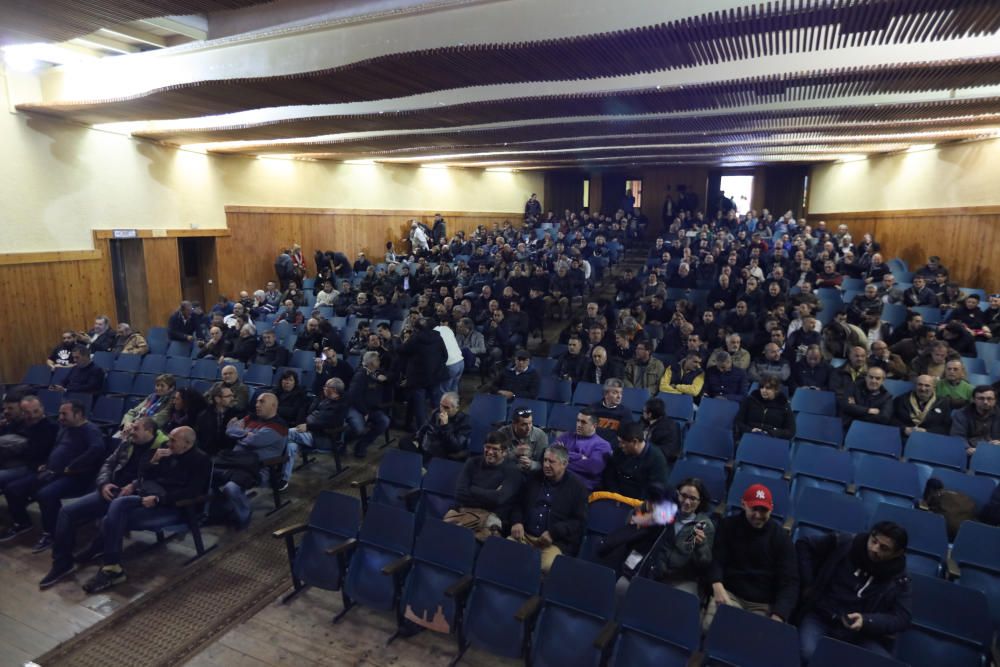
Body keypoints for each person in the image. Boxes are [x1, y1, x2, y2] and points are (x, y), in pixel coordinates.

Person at [80, 426, 211, 593]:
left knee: (110, 521)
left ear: (187, 443)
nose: (168, 443)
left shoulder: (200, 460)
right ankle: (112, 566)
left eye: (173, 440)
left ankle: (110, 567)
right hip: (149, 497)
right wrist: (154, 461)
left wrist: (159, 499)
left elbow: (192, 491)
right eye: (169, 438)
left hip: (174, 507)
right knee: (118, 504)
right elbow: (143, 477)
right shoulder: (165, 452)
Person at [39, 417, 166, 588]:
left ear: (149, 432)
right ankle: (62, 562)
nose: (130, 431)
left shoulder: (162, 449)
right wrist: (103, 484)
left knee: (110, 520)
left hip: (135, 497)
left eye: (136, 428)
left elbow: (159, 477)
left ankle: (100, 554)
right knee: (67, 512)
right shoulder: (128, 442)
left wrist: (134, 486)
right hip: (111, 490)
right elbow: (108, 463)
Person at [796, 523, 912, 662]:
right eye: (874, 541)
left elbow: (902, 618)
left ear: (897, 553)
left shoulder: (899, 579)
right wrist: (809, 584)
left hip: (860, 634)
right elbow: (804, 544)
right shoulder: (846, 543)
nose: (874, 549)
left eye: (884, 548)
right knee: (808, 654)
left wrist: (867, 621)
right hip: (821, 616)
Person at [0, 400, 106, 550]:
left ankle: (52, 534)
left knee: (45, 495)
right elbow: (56, 448)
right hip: (52, 471)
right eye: (60, 413)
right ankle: (22, 523)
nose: (60, 417)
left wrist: (73, 466)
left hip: (77, 477)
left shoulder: (90, 430)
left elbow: (97, 450)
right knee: (13, 489)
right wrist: (47, 462)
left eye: (64, 414)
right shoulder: (65, 427)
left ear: (79, 414)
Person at [703, 483, 799, 631]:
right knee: (711, 628)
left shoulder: (781, 538)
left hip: (762, 604)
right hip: (729, 593)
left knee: (751, 641)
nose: (758, 515)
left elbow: (790, 581)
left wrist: (779, 614)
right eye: (754, 509)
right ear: (744, 504)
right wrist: (717, 585)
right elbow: (717, 558)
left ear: (771, 508)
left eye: (764, 510)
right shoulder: (728, 526)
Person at [508, 444, 588, 572]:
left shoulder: (578, 488)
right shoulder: (533, 477)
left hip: (553, 542)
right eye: (545, 460)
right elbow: (518, 503)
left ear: (564, 464)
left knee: (545, 567)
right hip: (525, 535)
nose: (546, 465)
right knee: (504, 552)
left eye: (551, 461)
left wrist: (554, 532)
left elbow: (578, 522)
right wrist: (517, 522)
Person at [216, 393, 288, 528]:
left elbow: (255, 441)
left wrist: (240, 434)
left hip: (258, 468)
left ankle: (243, 516)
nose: (257, 405)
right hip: (235, 462)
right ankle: (216, 511)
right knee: (207, 475)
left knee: (230, 488)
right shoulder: (251, 417)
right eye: (257, 402)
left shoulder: (278, 426)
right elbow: (229, 430)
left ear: (273, 405)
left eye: (262, 402)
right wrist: (245, 434)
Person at [446, 431, 523, 540]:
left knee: (466, 536)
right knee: (446, 531)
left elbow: (499, 499)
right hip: (466, 510)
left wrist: (472, 489)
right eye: (487, 447)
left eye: (495, 449)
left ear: (504, 452)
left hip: (491, 517)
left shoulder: (513, 472)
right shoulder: (472, 463)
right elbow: (460, 493)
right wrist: (490, 494)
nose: (490, 452)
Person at [645, 478, 716, 596]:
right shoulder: (665, 514)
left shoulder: (704, 525)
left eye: (693, 498)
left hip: (684, 579)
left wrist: (701, 546)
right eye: (683, 496)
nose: (687, 502)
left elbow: (704, 563)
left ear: (700, 502)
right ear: (676, 495)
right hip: (655, 570)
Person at [601, 422, 669, 501]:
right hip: (615, 498)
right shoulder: (619, 452)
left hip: (638, 504)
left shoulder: (657, 459)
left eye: (622, 442)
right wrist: (615, 494)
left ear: (635, 442)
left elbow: (656, 489)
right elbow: (609, 474)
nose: (620, 445)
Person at [399, 392, 471, 463]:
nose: (442, 410)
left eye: (446, 408)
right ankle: (418, 461)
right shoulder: (437, 412)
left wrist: (445, 426)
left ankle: (421, 462)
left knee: (435, 450)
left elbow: (455, 446)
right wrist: (417, 438)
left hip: (443, 448)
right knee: (404, 441)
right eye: (441, 405)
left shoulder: (464, 422)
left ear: (457, 408)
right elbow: (425, 426)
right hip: (428, 442)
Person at [345, 351, 392, 458]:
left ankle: (361, 445)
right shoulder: (361, 375)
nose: (379, 361)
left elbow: (389, 375)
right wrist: (364, 412)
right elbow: (353, 396)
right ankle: (342, 441)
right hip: (357, 408)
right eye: (377, 360)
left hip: (372, 409)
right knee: (359, 428)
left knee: (384, 421)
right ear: (371, 363)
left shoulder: (375, 373)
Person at [553, 409, 612, 491]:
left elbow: (592, 468)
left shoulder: (603, 445)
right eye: (578, 421)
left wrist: (562, 458)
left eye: (583, 422)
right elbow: (551, 455)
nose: (579, 425)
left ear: (594, 426)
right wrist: (579, 457)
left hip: (582, 488)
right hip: (557, 482)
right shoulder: (566, 436)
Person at [950, 385, 1000, 456]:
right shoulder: (961, 414)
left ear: (995, 401)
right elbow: (957, 436)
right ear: (973, 400)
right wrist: (967, 448)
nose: (985, 402)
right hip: (971, 452)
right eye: (981, 398)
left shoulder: (998, 414)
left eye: (989, 399)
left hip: (995, 452)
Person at [498, 407, 548, 473]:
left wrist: (531, 464)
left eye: (530, 423)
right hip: (507, 472)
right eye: (524, 424)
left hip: (532, 476)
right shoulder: (502, 433)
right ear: (514, 424)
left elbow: (544, 464)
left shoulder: (541, 435)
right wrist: (514, 453)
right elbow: (496, 459)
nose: (528, 428)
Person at [588, 378, 633, 443]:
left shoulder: (626, 412)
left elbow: (623, 436)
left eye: (621, 393)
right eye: (615, 393)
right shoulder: (593, 408)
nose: (619, 396)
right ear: (605, 394)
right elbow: (586, 430)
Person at [642, 397, 681, 470]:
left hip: (660, 463)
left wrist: (644, 442)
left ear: (649, 414)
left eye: (644, 411)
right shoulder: (645, 422)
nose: (642, 413)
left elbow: (665, 452)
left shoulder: (666, 428)